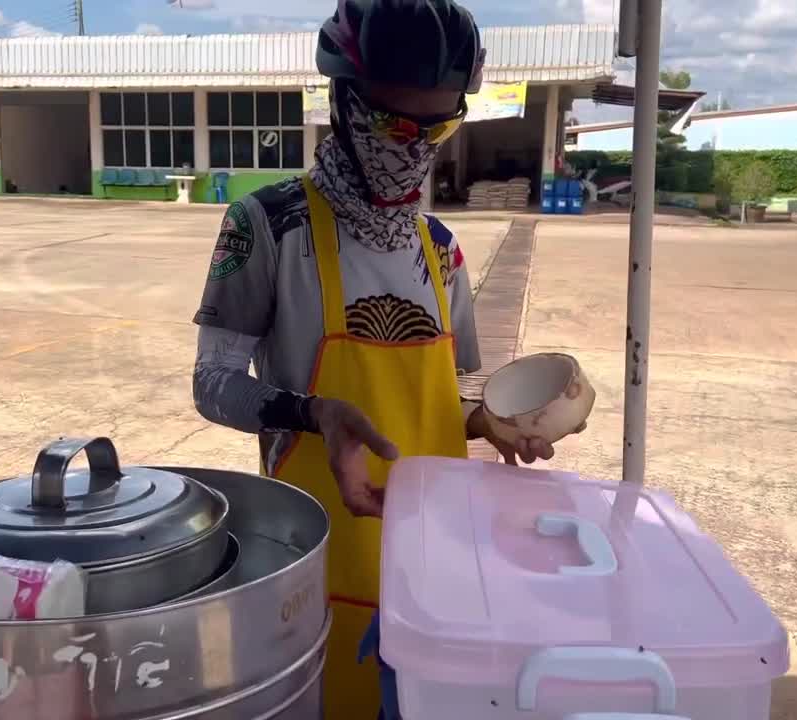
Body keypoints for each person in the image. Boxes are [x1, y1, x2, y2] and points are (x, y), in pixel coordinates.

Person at [191, 1, 561, 716]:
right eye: (395, 124)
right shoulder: (269, 226)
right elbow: (211, 385)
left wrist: (493, 424)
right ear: (344, 104)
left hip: (432, 562)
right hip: (315, 557)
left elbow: (438, 400)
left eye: (439, 126)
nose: (414, 147)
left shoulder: (440, 248)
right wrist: (311, 413)